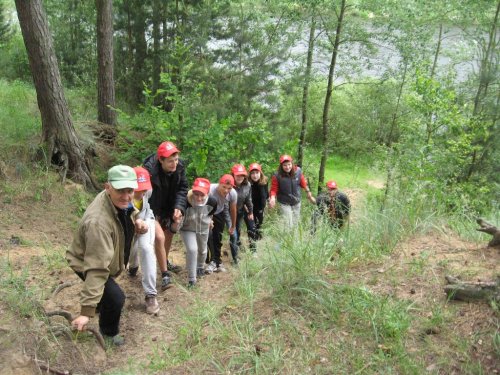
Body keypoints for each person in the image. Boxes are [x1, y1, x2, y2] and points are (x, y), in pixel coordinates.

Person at [66, 165, 148, 346]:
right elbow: (96, 269)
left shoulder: (117, 200)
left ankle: (99, 304)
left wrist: (137, 219)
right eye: (121, 190)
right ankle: (108, 334)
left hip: (105, 258)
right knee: (115, 298)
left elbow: (128, 209)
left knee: (107, 294)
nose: (127, 196)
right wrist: (86, 312)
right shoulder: (98, 223)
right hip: (86, 261)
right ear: (107, 187)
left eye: (130, 190)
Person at [143, 141, 188, 289]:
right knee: (159, 237)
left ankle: (164, 260)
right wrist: (150, 212)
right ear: (160, 159)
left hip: (170, 205)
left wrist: (179, 207)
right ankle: (164, 274)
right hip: (152, 207)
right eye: (170, 161)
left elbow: (183, 188)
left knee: (168, 234)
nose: (174, 164)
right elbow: (143, 193)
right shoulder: (149, 171)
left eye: (176, 160)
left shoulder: (180, 167)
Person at [127, 167, 160, 314]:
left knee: (146, 248)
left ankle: (150, 295)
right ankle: (133, 266)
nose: (142, 193)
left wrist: (142, 221)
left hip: (146, 218)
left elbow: (147, 207)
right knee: (130, 249)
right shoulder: (123, 195)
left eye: (144, 188)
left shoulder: (149, 191)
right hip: (128, 222)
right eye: (137, 189)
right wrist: (135, 222)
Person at [179, 178, 217, 288]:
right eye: (196, 194)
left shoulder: (212, 202)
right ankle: (192, 279)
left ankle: (200, 266)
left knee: (203, 250)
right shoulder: (185, 201)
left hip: (203, 227)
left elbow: (212, 212)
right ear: (192, 191)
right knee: (192, 249)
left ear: (208, 193)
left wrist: (210, 221)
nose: (199, 198)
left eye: (202, 195)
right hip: (187, 228)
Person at [269, 154, 316, 227]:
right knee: (288, 224)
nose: (287, 167)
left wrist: (308, 192)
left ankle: (294, 237)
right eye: (285, 165)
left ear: (292, 163)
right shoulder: (277, 175)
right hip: (284, 202)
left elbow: (303, 183)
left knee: (295, 223)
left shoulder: (298, 171)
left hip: (296, 201)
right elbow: (274, 189)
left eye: (289, 164)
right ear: (281, 166)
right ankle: (287, 237)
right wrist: (272, 198)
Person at [206, 174, 237, 273]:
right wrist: (208, 219)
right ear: (219, 184)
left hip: (219, 212)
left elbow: (233, 209)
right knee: (208, 236)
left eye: (229, 188)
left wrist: (233, 225)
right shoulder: (210, 189)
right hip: (205, 213)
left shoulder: (233, 194)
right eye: (224, 187)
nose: (226, 190)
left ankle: (217, 261)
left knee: (218, 237)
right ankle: (209, 261)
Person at [231, 164, 257, 253]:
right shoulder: (229, 184)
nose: (240, 177)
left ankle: (252, 249)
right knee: (235, 231)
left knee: (250, 227)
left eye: (242, 175)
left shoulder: (247, 185)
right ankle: (236, 250)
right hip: (230, 212)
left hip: (241, 210)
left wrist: (250, 212)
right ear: (233, 174)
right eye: (237, 175)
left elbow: (248, 199)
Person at [248, 162, 269, 240]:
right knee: (252, 226)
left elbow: (266, 194)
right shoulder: (248, 183)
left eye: (257, 173)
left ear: (260, 173)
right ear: (250, 174)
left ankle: (259, 238)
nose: (255, 175)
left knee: (259, 224)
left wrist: (266, 203)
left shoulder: (264, 181)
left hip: (261, 207)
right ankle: (253, 241)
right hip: (250, 208)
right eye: (253, 173)